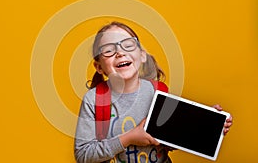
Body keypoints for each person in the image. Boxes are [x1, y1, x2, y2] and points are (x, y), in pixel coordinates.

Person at [74, 21, 232, 163]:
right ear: (99, 67)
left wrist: (206, 125)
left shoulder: (159, 91)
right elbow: (83, 155)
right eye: (108, 50)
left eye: (128, 45)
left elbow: (170, 141)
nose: (120, 53)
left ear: (142, 56)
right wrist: (128, 138)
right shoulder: (93, 100)